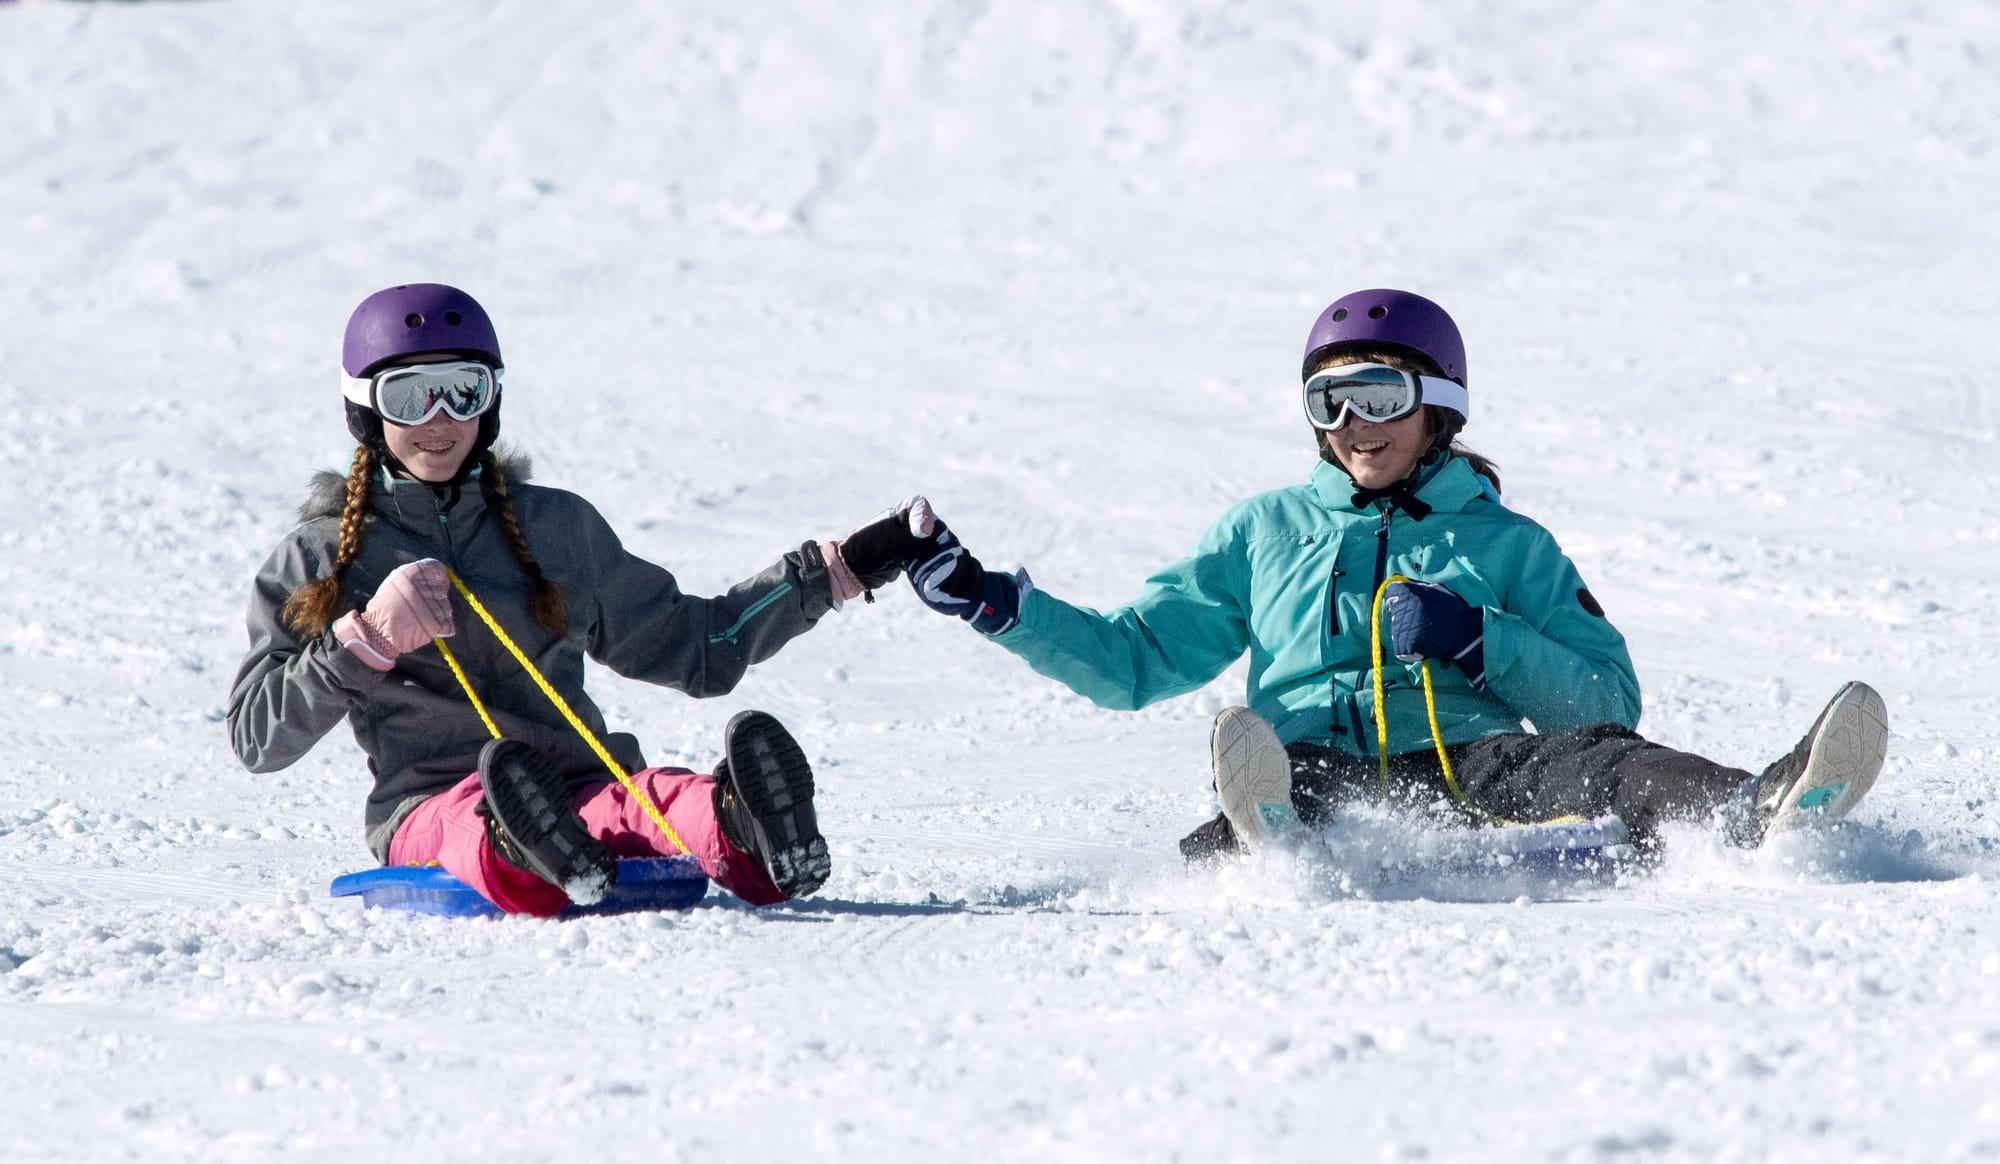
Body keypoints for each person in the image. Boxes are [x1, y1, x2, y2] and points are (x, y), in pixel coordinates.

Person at [900, 288, 1889, 860]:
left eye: (1377, 398)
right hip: (1308, 769)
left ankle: (1751, 811)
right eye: (1328, 403)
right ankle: (1272, 843)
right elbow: (1135, 661)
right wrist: (998, 606)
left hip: (1471, 763)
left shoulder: (1507, 544)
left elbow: (1606, 700)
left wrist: (1479, 640)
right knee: (1252, 808)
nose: (1353, 427)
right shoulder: (1264, 530)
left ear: (1437, 407)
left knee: (1604, 760)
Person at [227, 283, 927, 915]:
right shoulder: (319, 559)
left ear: (490, 402)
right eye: (410, 397)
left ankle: (744, 829)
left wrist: (831, 573)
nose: (439, 419)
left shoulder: (554, 529)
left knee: (649, 801)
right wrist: (365, 642)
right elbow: (257, 736)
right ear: (364, 410)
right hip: (429, 804)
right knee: (470, 822)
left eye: (463, 391)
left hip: (579, 783)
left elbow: (696, 647)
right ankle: (524, 844)